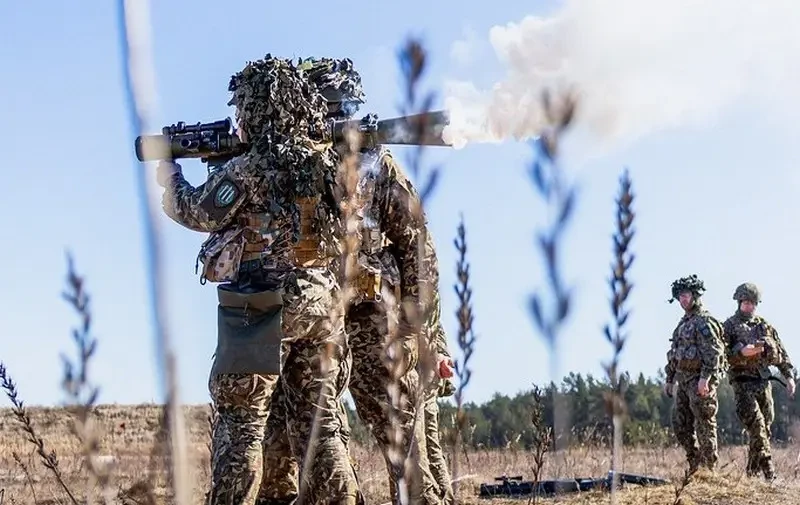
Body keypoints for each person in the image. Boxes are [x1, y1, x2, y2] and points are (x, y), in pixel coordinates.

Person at [156, 54, 358, 505]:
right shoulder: (325, 161)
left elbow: (195, 212)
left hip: (260, 306)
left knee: (241, 423)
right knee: (321, 420)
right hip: (321, 305)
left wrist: (170, 172)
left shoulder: (248, 168)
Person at [258, 56, 444, 505]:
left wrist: (423, 333)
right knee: (298, 436)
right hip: (312, 323)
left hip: (374, 319)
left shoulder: (381, 169)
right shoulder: (294, 169)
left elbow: (419, 252)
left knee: (400, 438)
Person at [723, 282, 796, 480]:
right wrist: (741, 352)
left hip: (763, 384)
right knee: (757, 426)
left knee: (765, 430)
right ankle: (770, 474)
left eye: (753, 302)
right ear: (739, 302)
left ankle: (751, 475)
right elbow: (721, 354)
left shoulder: (765, 326)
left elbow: (781, 353)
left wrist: (789, 377)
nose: (749, 306)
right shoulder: (729, 326)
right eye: (746, 302)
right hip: (742, 383)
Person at [662, 274, 725, 474]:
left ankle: (709, 470)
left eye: (687, 295)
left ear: (695, 295)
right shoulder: (682, 324)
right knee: (680, 424)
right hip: (683, 381)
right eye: (680, 297)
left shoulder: (704, 322)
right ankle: (695, 463)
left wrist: (705, 379)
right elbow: (675, 354)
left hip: (700, 381)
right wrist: (669, 379)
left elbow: (714, 353)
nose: (683, 300)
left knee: (704, 424)